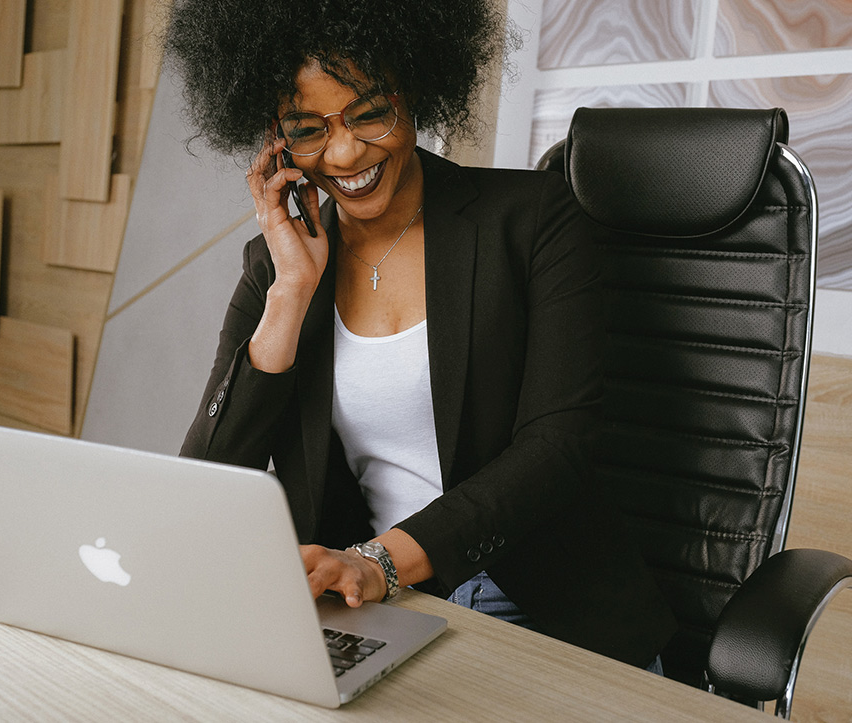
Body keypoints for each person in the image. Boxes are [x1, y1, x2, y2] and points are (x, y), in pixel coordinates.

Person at [168, 0, 677, 669]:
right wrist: (290, 292)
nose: (346, 152)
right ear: (276, 137)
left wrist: (380, 560)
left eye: (370, 112)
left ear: (416, 91)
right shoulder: (277, 262)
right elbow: (208, 479)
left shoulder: (531, 221)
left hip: (542, 604)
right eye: (308, 129)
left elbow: (558, 445)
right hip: (374, 612)